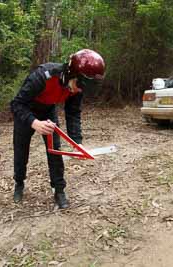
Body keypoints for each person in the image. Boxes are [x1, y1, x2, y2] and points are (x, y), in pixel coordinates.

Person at [10, 49, 105, 209]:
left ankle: (59, 190)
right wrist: (34, 122)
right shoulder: (43, 75)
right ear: (71, 73)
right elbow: (16, 104)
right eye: (79, 85)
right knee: (21, 151)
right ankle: (19, 183)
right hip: (27, 112)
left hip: (48, 111)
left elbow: (73, 113)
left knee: (55, 151)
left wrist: (77, 143)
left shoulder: (78, 86)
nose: (78, 90)